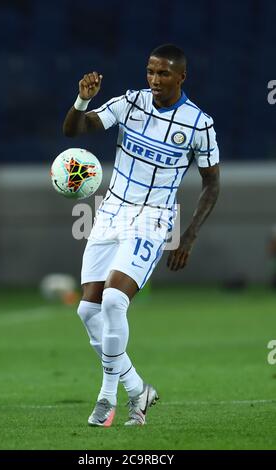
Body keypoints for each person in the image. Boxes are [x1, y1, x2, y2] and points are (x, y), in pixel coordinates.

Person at [63, 44, 220, 427]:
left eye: (163, 73)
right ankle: (138, 389)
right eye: (150, 71)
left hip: (152, 219)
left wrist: (189, 236)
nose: (154, 79)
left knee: (114, 301)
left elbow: (212, 185)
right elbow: (74, 131)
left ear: (181, 77)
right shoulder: (130, 103)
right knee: (88, 309)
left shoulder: (198, 124)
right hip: (111, 212)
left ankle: (106, 398)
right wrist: (82, 101)